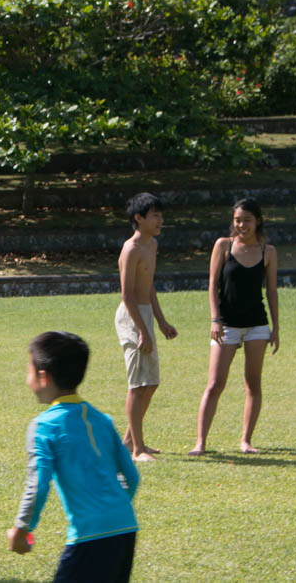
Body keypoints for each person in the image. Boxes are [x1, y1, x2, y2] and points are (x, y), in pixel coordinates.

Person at [7, 331, 140, 582]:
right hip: (126, 529)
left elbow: (37, 485)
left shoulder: (44, 426)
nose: (27, 379)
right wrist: (114, 508)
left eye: (28, 371)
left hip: (89, 537)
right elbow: (131, 476)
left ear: (43, 377)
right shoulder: (102, 419)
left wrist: (22, 528)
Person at [189, 198, 278, 456]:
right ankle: (200, 443)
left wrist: (276, 328)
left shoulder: (268, 251)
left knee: (253, 383)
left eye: (247, 220)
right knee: (215, 384)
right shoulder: (223, 246)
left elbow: (271, 291)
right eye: (237, 220)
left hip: (257, 326)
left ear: (257, 221)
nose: (241, 225)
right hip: (226, 324)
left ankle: (246, 441)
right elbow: (212, 284)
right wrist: (215, 319)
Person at [114, 193, 178, 461]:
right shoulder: (131, 249)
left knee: (151, 383)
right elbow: (126, 296)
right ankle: (137, 449)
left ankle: (130, 441)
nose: (160, 220)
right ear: (138, 218)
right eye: (155, 215)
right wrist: (141, 330)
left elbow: (149, 285)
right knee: (137, 384)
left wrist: (161, 320)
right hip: (131, 318)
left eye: (161, 216)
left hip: (146, 315)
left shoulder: (152, 246)